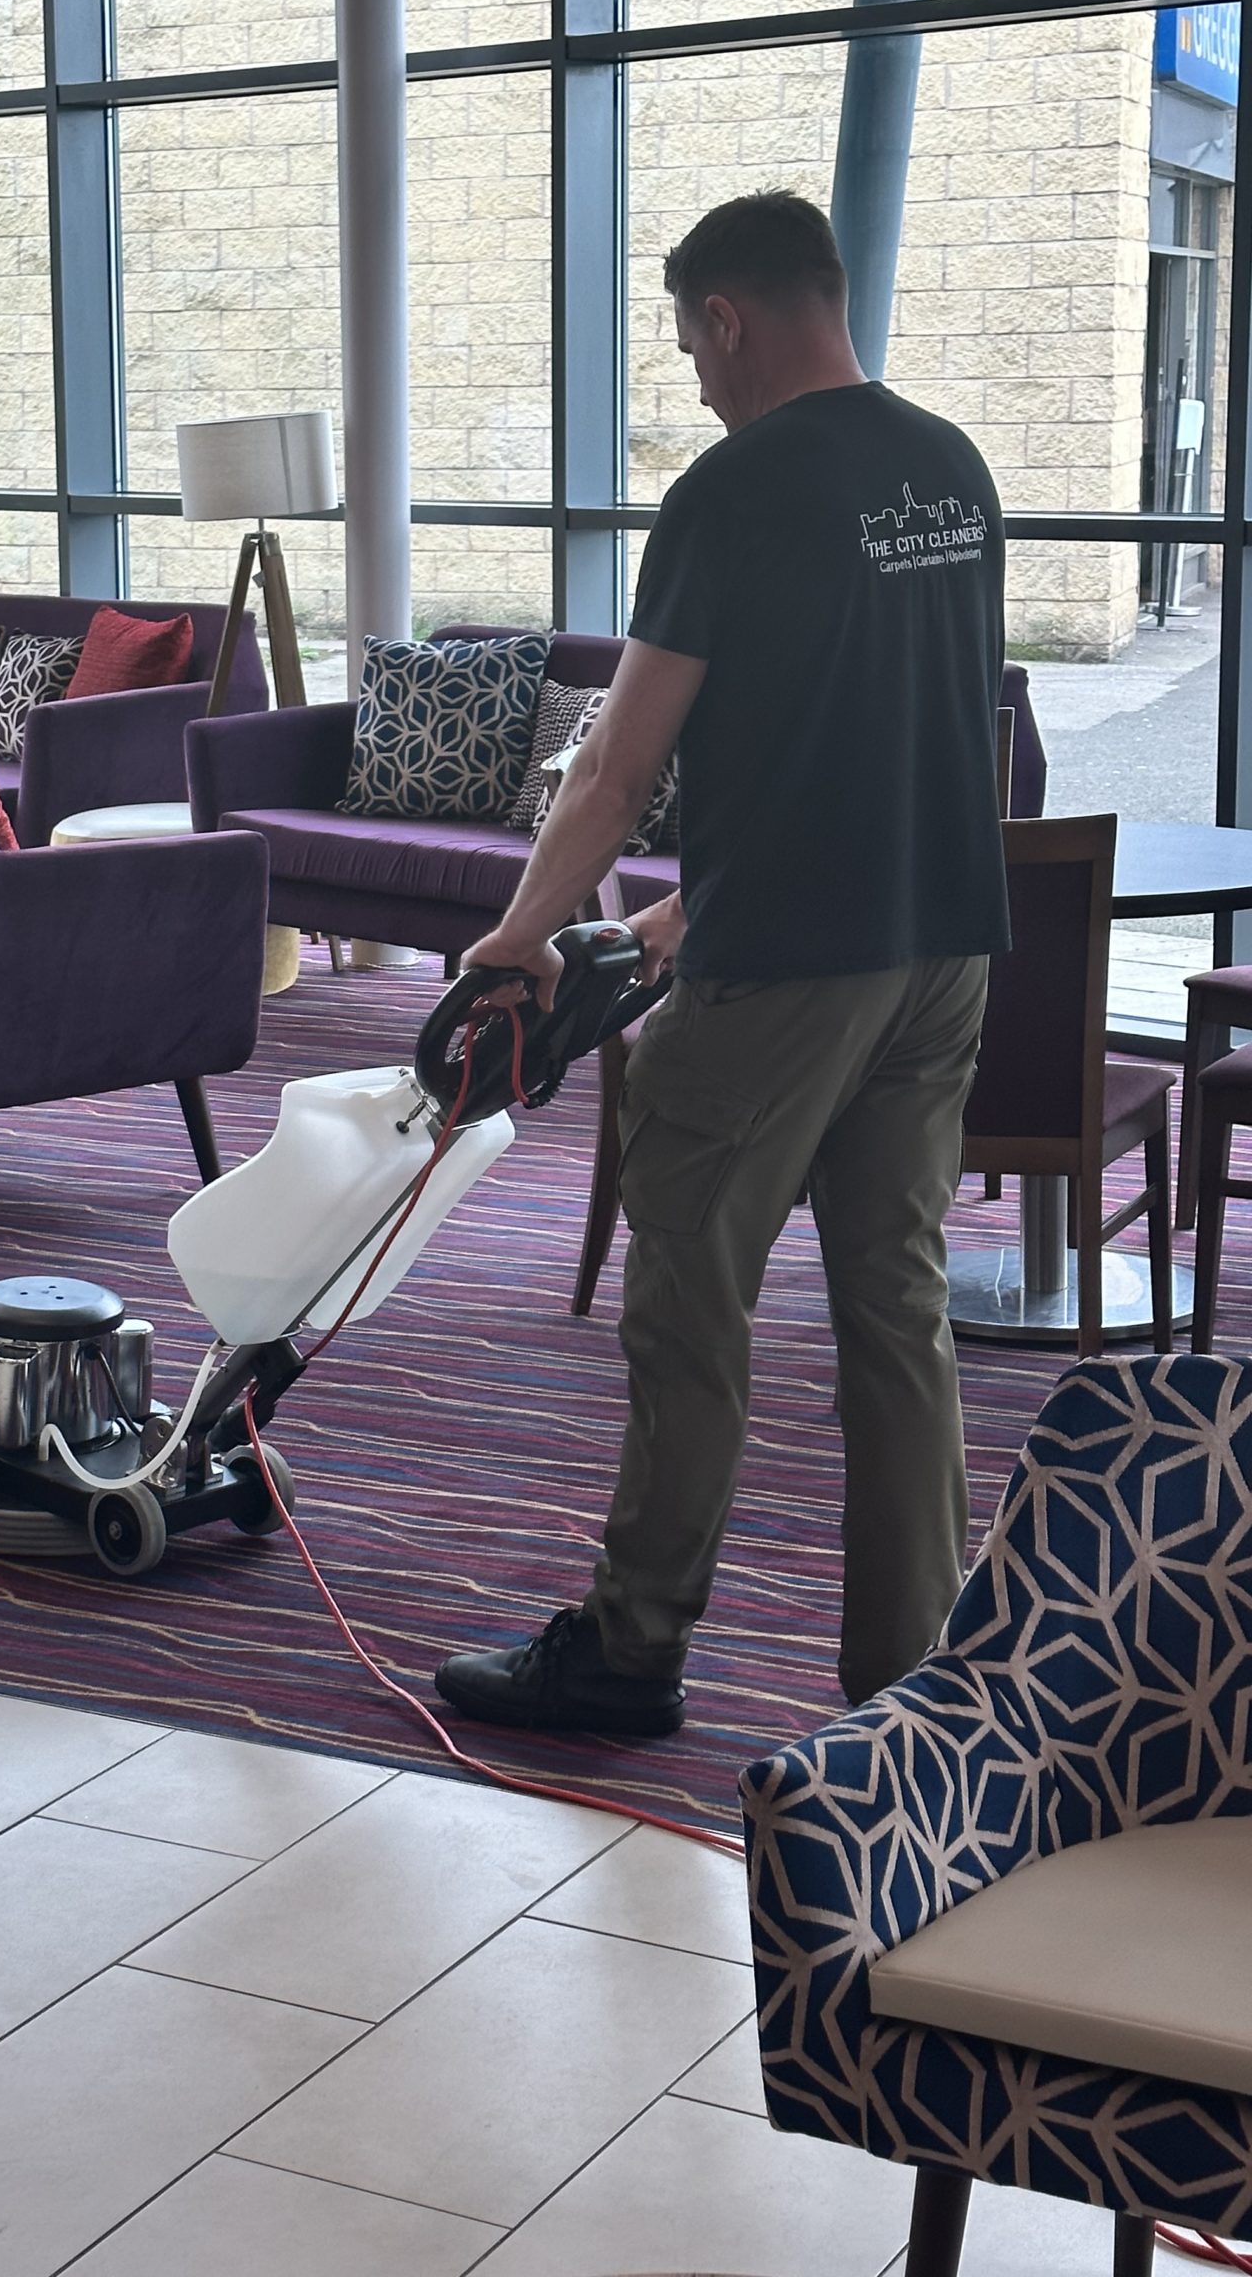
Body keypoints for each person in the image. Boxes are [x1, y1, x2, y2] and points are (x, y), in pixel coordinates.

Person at [434, 189, 1009, 1740]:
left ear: (731, 318)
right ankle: (914, 1682)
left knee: (692, 1306)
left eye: (690, 342)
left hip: (785, 982)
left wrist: (517, 940)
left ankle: (632, 1648)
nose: (693, 376)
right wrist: (680, 912)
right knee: (898, 1309)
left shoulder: (733, 489)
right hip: (943, 946)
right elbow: (885, 734)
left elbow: (615, 766)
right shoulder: (952, 468)